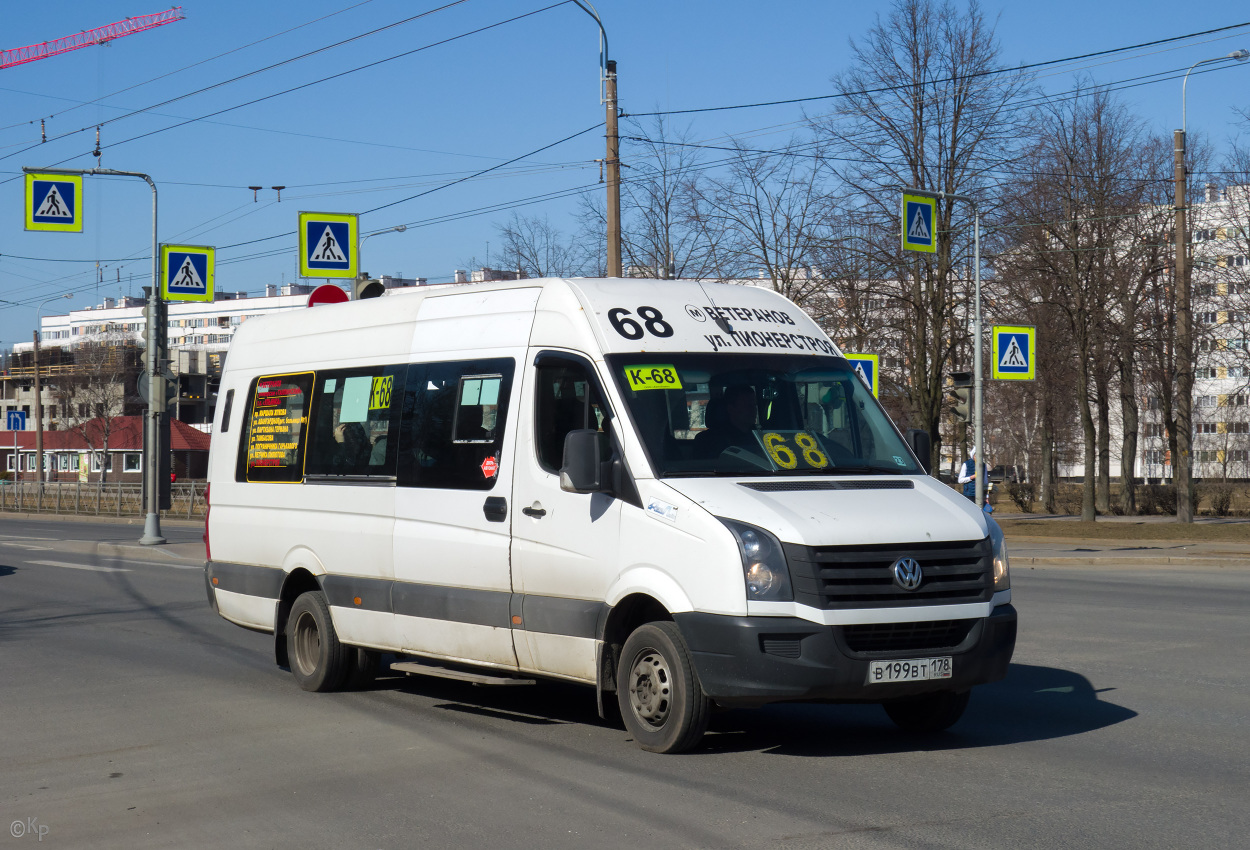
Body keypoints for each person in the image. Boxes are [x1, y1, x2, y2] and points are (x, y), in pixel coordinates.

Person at [694, 384, 758, 458]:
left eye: (754, 405)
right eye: (747, 405)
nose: (753, 410)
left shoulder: (761, 436)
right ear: (731, 409)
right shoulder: (709, 441)